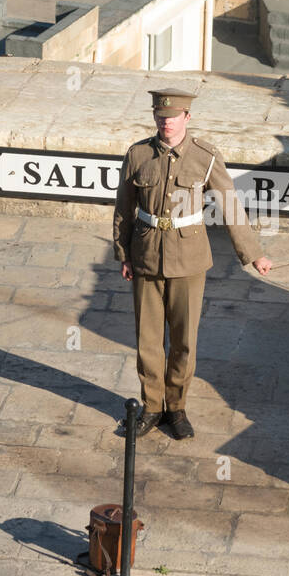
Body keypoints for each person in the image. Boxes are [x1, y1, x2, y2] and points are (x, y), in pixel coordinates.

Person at [113, 87, 272, 439]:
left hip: (189, 259)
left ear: (187, 117)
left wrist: (253, 254)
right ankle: (152, 407)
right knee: (148, 339)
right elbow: (124, 207)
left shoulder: (205, 157)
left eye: (171, 117)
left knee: (184, 340)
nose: (165, 122)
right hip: (146, 255)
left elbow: (231, 206)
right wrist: (123, 253)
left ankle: (177, 407)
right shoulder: (138, 155)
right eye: (159, 116)